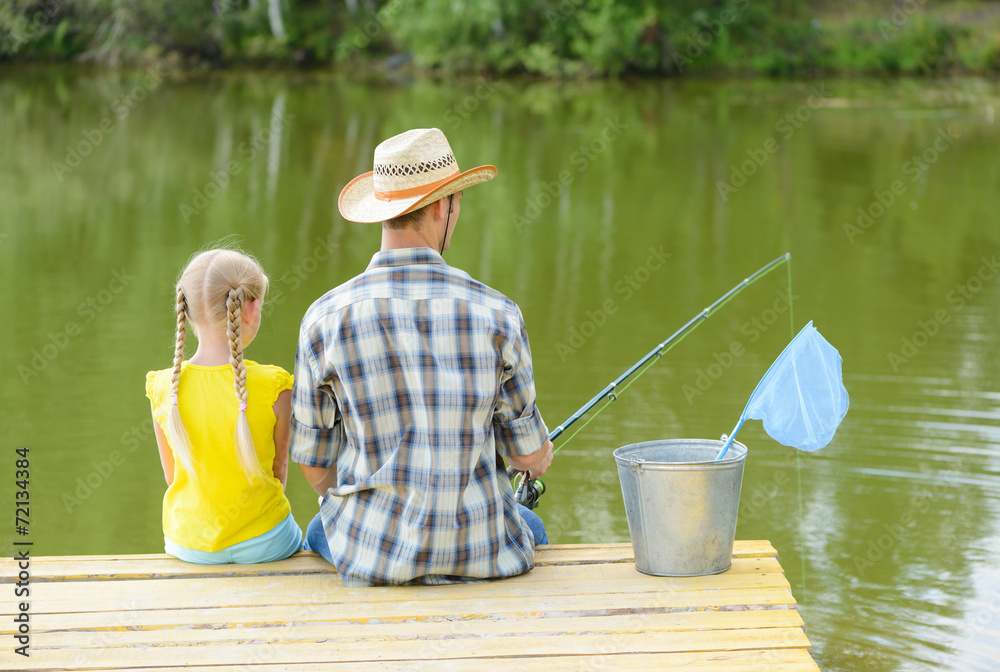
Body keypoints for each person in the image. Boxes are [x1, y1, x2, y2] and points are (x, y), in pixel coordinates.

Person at [291, 127, 553, 587]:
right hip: (481, 551)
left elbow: (313, 465)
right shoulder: (498, 313)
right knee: (531, 528)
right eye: (456, 202)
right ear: (440, 207)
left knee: (319, 528)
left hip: (374, 556)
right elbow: (527, 455)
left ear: (384, 213)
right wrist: (539, 455)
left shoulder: (324, 318)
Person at [145, 248, 303, 564]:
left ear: (185, 310)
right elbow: (279, 469)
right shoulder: (275, 386)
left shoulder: (164, 387)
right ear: (251, 309)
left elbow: (172, 475)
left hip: (188, 545)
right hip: (266, 542)